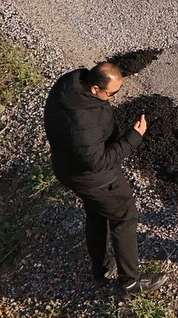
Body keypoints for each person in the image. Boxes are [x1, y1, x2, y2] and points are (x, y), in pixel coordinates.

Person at [43, 61, 167, 296]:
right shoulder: (82, 126)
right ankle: (130, 282)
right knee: (124, 216)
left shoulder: (68, 85)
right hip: (96, 179)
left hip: (68, 168)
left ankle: (101, 270)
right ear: (94, 89)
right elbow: (98, 162)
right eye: (111, 94)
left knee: (97, 215)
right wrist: (134, 137)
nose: (113, 98)